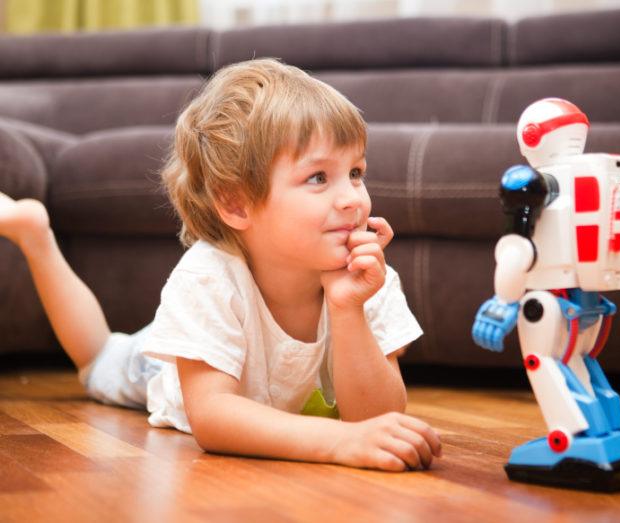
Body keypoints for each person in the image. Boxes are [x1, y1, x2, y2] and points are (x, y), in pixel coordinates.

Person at [0, 58, 442, 472]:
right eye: (318, 178)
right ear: (235, 204)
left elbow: (380, 422)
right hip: (177, 360)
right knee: (100, 360)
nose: (352, 198)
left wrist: (348, 310)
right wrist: (336, 442)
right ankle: (36, 235)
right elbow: (212, 418)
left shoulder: (367, 279)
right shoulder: (206, 277)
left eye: (356, 173)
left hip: (227, 341)